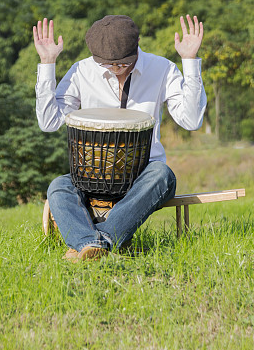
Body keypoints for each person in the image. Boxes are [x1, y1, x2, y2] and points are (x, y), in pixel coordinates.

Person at [33, 14, 206, 261]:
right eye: (108, 65)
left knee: (162, 175)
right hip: (91, 176)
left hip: (144, 177)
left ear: (136, 48)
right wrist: (48, 63)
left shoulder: (163, 69)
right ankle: (97, 244)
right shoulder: (81, 71)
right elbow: (49, 122)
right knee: (59, 186)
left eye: (123, 64)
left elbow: (191, 120)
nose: (116, 70)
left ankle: (92, 244)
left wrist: (189, 61)